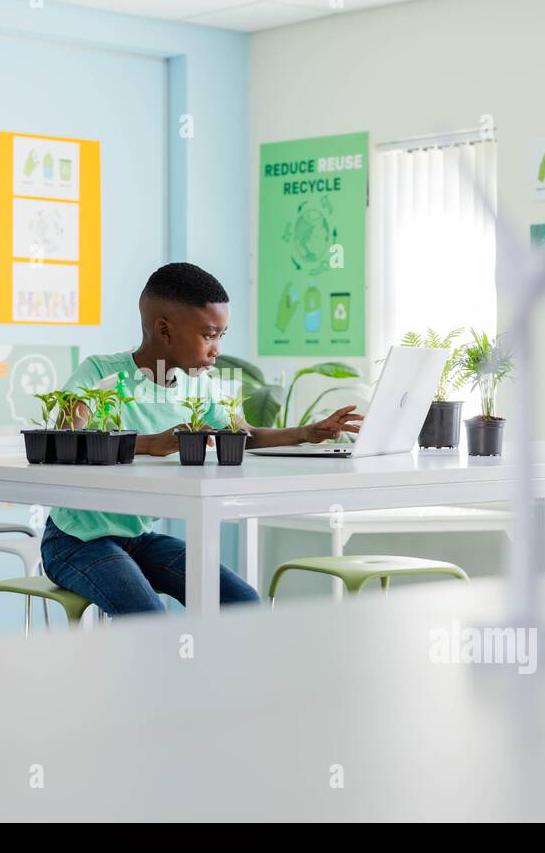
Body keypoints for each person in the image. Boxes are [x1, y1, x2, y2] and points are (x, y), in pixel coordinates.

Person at [40, 262, 363, 615]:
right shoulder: (99, 371)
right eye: (209, 335)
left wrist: (306, 432)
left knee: (241, 603)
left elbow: (244, 435)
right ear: (165, 331)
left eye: (221, 336)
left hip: (137, 540)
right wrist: (149, 443)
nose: (216, 349)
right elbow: (67, 439)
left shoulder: (198, 385)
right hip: (75, 541)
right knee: (149, 618)